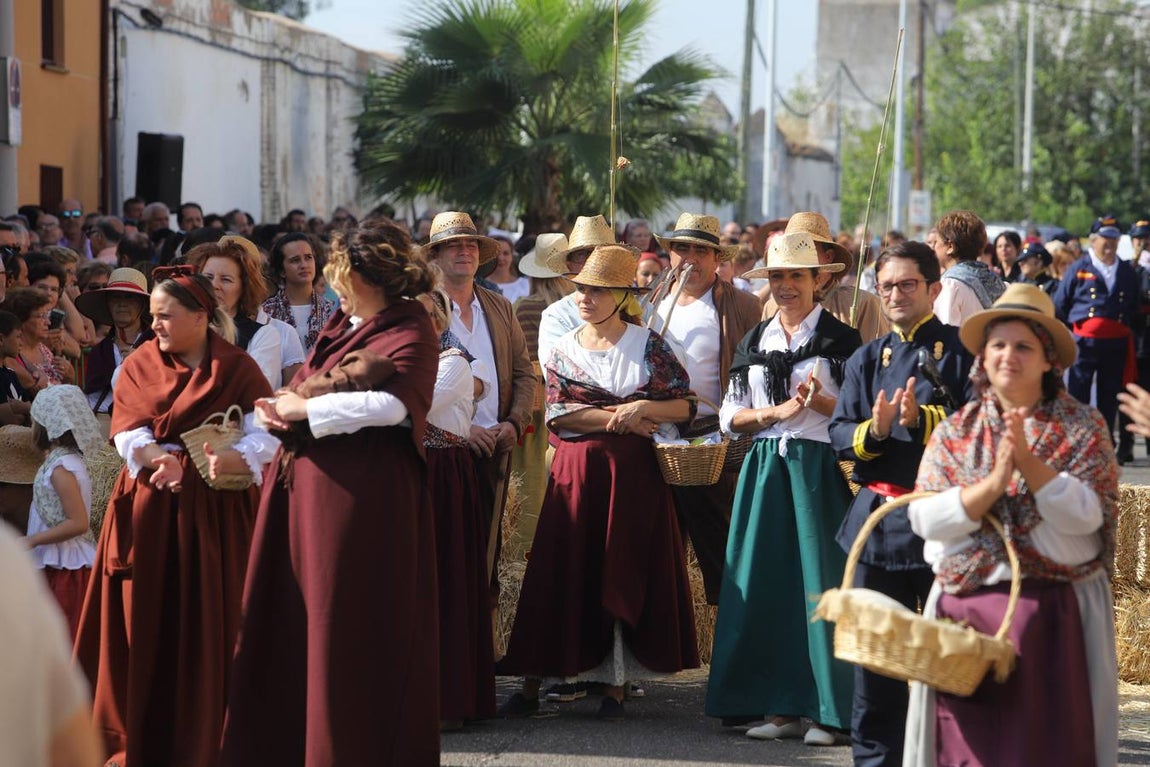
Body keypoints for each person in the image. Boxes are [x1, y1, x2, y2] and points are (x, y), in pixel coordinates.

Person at [221, 221, 441, 765]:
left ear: (367, 274)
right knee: (296, 622)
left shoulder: (411, 327)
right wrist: (276, 415)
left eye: (340, 272)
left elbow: (395, 407)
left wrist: (305, 410)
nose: (331, 282)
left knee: (343, 624)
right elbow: (303, 388)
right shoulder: (344, 323)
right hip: (304, 493)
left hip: (362, 502)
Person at [905, 283, 1119, 767]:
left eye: (1024, 346)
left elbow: (1089, 520)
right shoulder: (956, 430)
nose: (1008, 356)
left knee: (1047, 749)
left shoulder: (1083, 427)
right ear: (982, 358)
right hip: (965, 625)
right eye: (998, 345)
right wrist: (992, 485)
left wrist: (1029, 465)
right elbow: (924, 518)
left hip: (1052, 618)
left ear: (1049, 361)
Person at [74, 265, 277, 767]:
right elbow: (125, 429)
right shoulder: (141, 363)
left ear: (200, 317)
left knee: (214, 616)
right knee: (143, 616)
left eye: (165, 316)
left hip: (217, 510)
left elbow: (267, 432)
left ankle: (213, 732)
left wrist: (235, 457)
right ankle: (140, 735)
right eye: (153, 316)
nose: (156, 325)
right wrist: (151, 457)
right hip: (150, 506)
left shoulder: (236, 368)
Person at [498, 244, 699, 720]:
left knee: (623, 565)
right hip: (578, 475)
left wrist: (645, 408)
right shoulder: (564, 347)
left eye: (597, 289)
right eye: (582, 288)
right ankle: (535, 681)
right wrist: (623, 415)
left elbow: (685, 406)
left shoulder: (648, 343)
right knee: (562, 569)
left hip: (634, 480)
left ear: (621, 295)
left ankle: (616, 686)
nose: (585, 297)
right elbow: (563, 413)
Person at [705, 231, 860, 746]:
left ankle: (826, 710)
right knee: (767, 585)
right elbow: (730, 416)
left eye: (796, 275)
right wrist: (775, 412)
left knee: (820, 586)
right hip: (765, 471)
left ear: (819, 280)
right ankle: (777, 705)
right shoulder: (755, 340)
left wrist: (819, 407)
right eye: (777, 276)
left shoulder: (843, 341)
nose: (786, 286)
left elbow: (860, 418)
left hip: (817, 471)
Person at [828, 241, 975, 766]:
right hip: (879, 524)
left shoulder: (962, 352)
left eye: (907, 284)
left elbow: (980, 427)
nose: (894, 294)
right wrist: (879, 428)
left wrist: (922, 421)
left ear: (934, 288)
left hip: (944, 527)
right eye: (885, 285)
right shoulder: (866, 357)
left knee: (948, 657)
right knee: (877, 664)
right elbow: (841, 433)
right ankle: (874, 760)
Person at [650, 212, 763, 607]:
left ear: (718, 259)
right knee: (660, 546)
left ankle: (730, 635)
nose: (691, 259)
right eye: (682, 248)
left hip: (710, 441)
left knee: (719, 546)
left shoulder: (744, 305)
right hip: (655, 437)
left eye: (702, 250)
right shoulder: (650, 301)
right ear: (670, 254)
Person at [424, 212, 535, 599]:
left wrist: (514, 423)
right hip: (437, 453)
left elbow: (525, 374)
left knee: (485, 563)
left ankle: (482, 653)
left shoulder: (500, 306)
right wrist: (458, 430)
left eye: (470, 244)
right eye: (453, 245)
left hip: (494, 449)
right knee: (439, 561)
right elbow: (411, 388)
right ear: (435, 255)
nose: (464, 251)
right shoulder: (421, 309)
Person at [417, 287, 495, 731]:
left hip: (443, 476)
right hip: (412, 474)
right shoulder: (405, 362)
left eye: (432, 315)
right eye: (415, 315)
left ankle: (450, 699)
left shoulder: (454, 362)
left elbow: (413, 407)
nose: (425, 323)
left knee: (445, 582)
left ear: (443, 320)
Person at [0, 519, 103, 767]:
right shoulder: (8, 560)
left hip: (62, 563)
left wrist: (32, 540)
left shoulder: (8, 562)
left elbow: (79, 521)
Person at [1053, 215, 1139, 454]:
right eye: (1105, 239)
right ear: (1093, 241)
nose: (1109, 244)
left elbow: (1132, 306)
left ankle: (1105, 440)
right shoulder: (1079, 268)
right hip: (1084, 342)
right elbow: (1060, 304)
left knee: (1109, 393)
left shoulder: (1125, 271)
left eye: (1113, 239)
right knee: (1079, 392)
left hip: (1115, 342)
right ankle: (1078, 440)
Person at [23, 385, 103, 638]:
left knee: (65, 636)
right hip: (57, 562)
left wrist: (31, 540)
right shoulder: (63, 461)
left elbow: (79, 523)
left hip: (66, 567)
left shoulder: (62, 468)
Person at [188, 236, 307, 388]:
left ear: (244, 289)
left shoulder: (263, 335)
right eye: (208, 277)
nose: (215, 285)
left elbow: (254, 391)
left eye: (226, 279)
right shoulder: (183, 328)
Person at [761, 213, 890, 344]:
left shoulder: (862, 304)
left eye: (807, 250)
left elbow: (878, 358)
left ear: (829, 257)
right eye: (792, 253)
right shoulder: (773, 307)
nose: (799, 260)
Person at [537, 215, 619, 365]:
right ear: (569, 266)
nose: (592, 261)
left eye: (599, 253)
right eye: (582, 255)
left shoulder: (641, 308)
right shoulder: (556, 315)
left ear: (615, 261)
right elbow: (557, 374)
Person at [75, 268, 153, 419]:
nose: (122, 303)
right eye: (115, 297)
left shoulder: (157, 344)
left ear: (142, 305)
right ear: (108, 304)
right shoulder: (99, 352)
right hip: (104, 423)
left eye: (129, 297)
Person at [261, 233, 336, 352]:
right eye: (295, 260)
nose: (304, 265)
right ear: (281, 271)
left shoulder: (332, 310)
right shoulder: (266, 312)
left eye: (308, 257)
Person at [932, 210, 1005, 325]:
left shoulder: (950, 285)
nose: (933, 247)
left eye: (936, 242)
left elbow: (945, 334)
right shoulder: (996, 281)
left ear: (950, 246)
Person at [2, 287, 74, 391]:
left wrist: (69, 375)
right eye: (41, 316)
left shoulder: (44, 350)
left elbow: (61, 386)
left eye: (47, 315)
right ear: (22, 320)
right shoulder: (12, 354)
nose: (48, 322)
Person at [487, 234, 531, 305]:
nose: (501, 258)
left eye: (506, 253)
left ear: (512, 256)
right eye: (496, 253)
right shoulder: (478, 285)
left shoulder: (526, 285)